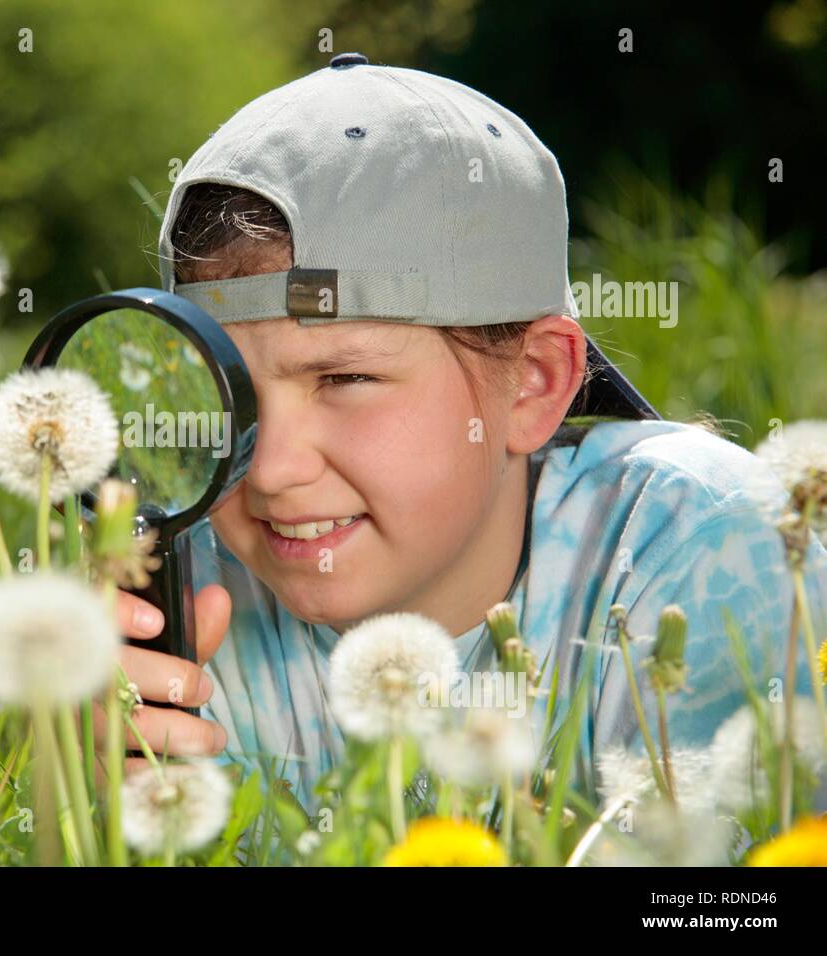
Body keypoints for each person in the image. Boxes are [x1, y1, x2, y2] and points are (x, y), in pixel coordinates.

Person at [97, 55, 827, 822]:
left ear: (535, 383)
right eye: (231, 391)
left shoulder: (717, 553)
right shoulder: (181, 599)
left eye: (344, 380)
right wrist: (71, 786)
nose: (271, 468)